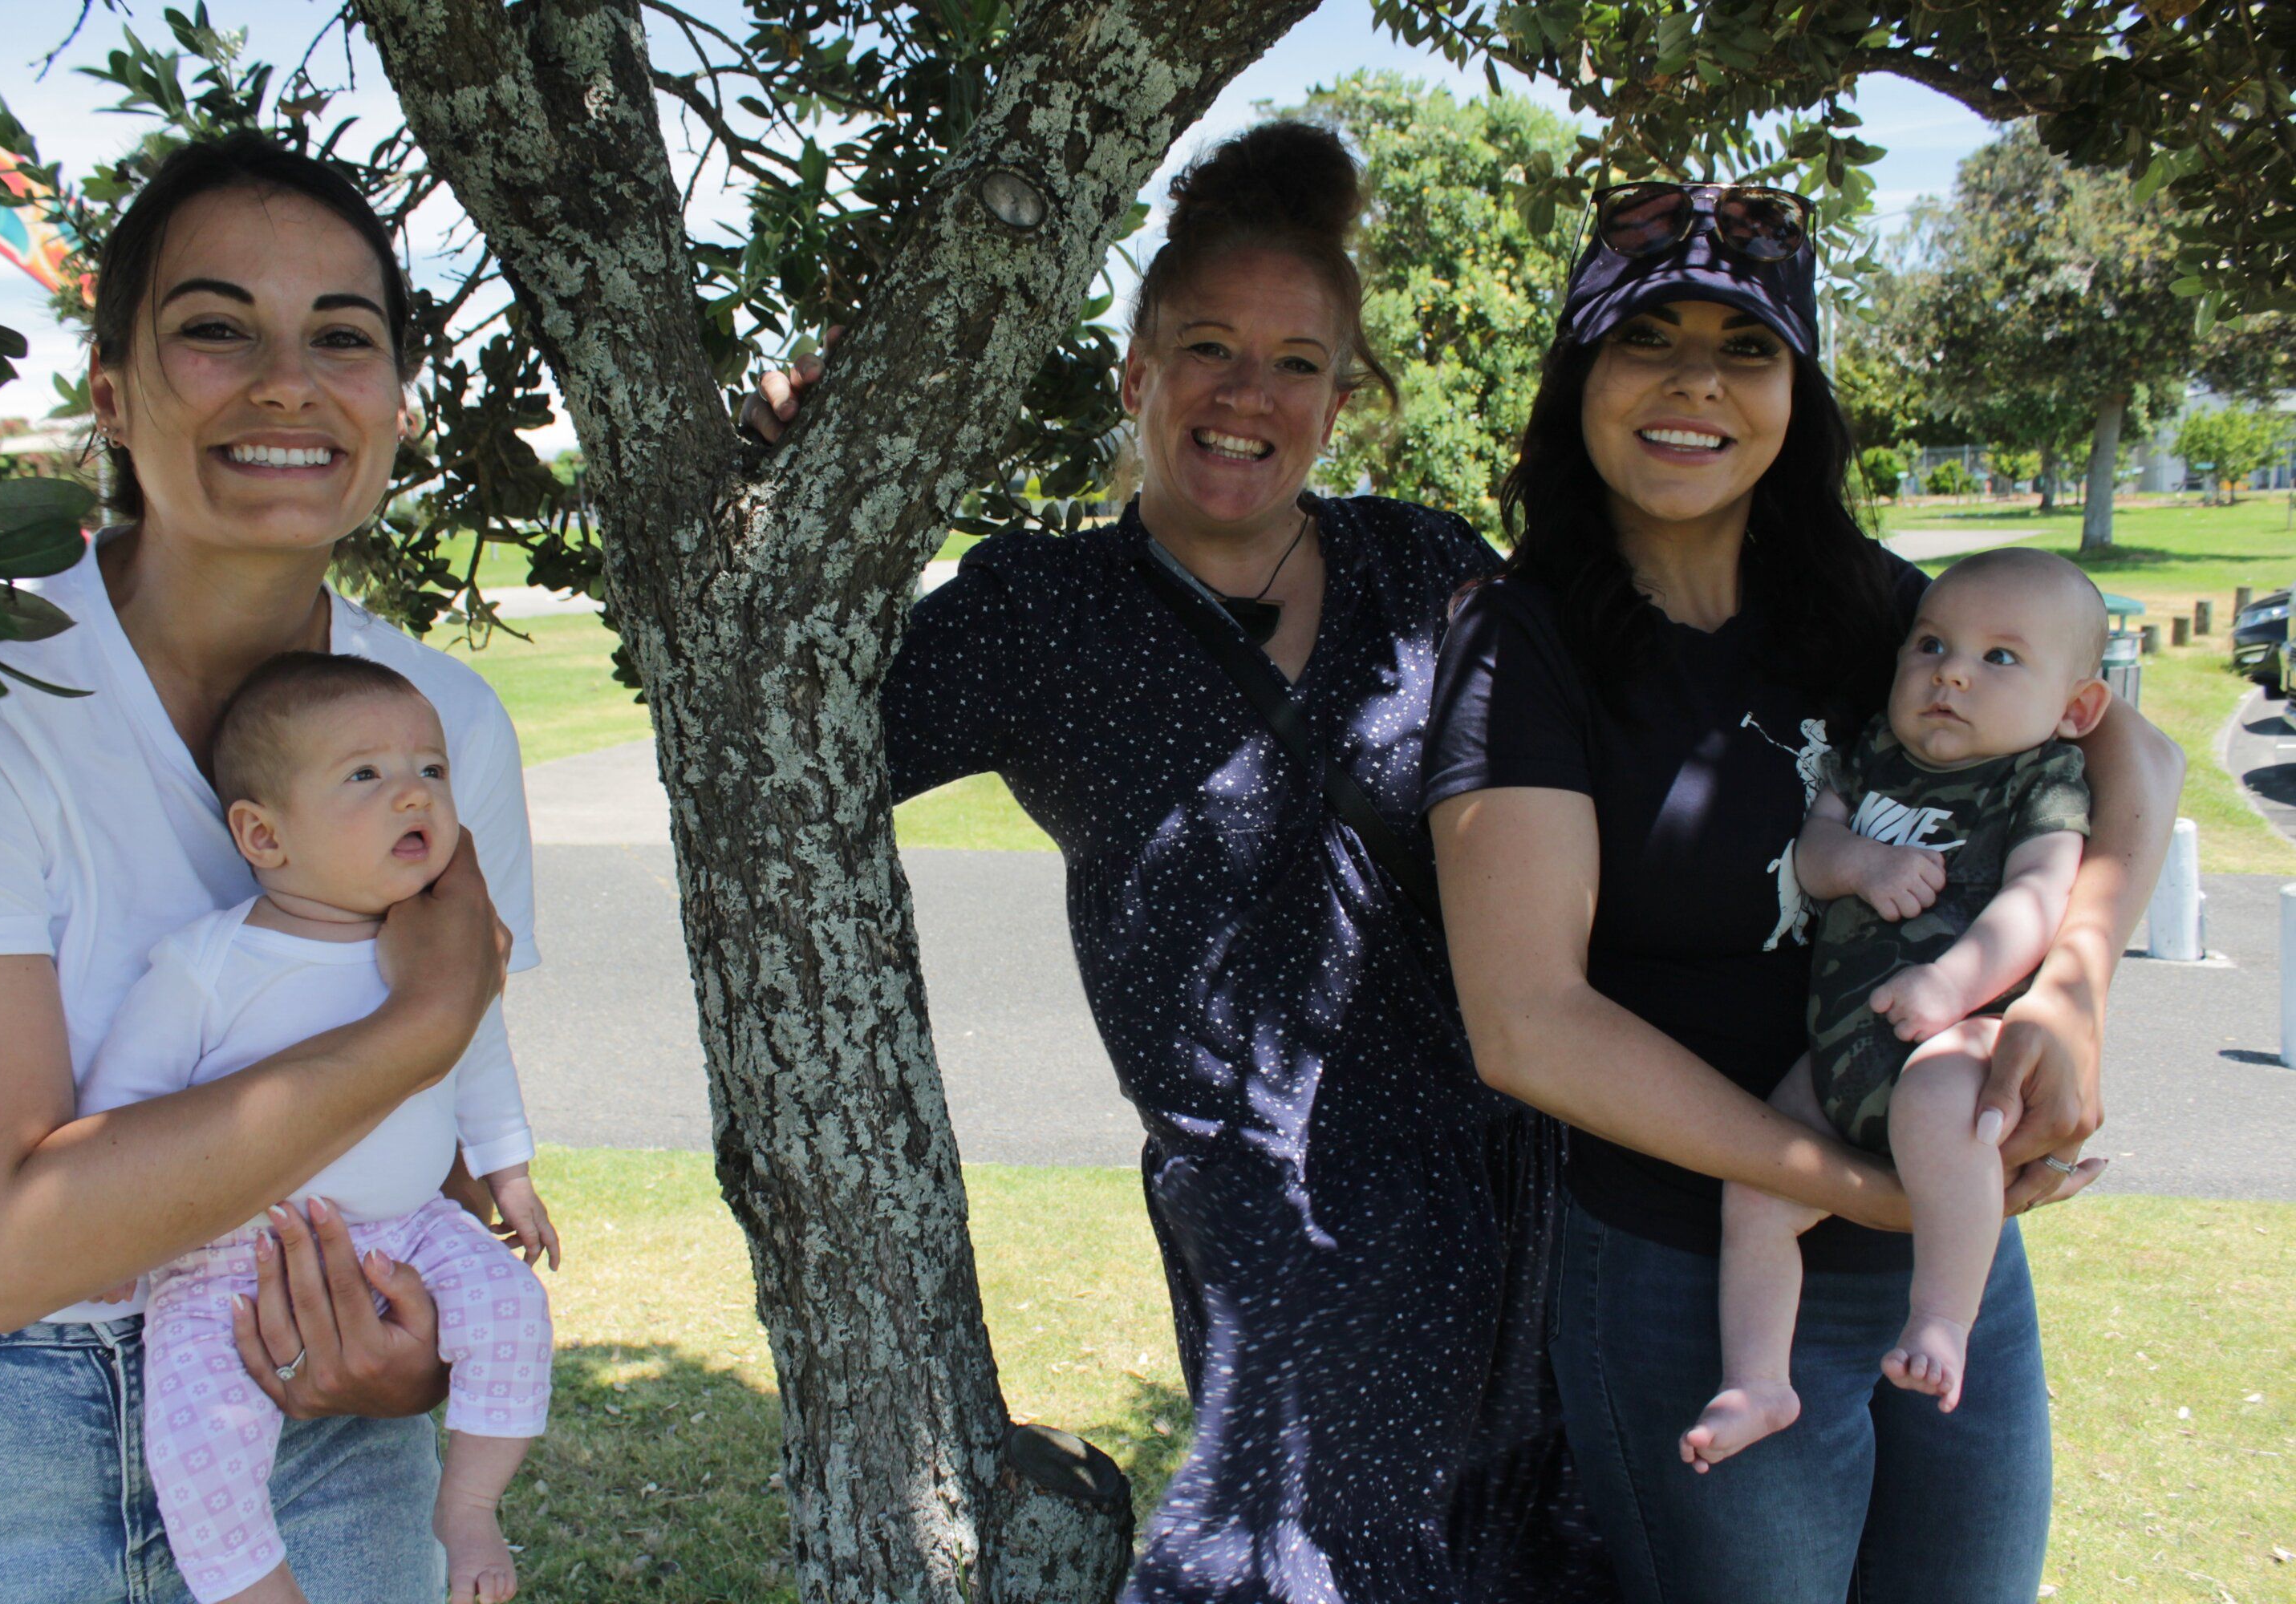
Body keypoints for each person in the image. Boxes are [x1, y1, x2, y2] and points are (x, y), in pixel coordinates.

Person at [747, 122, 1615, 1601]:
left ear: (1341, 401)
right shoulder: (1039, 611)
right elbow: (776, 744)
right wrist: (800, 492)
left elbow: (1607, 775)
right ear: (1136, 375)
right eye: (1206, 349)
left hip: (1517, 1174)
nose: (1245, 396)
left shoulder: (1424, 570)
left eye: (1294, 363)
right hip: (1271, 1209)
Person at [1425, 180, 2184, 1603]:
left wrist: (2074, 995)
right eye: (1649, 337)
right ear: (1583, 375)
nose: (1696, 383)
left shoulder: (1884, 610)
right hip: (1689, 1276)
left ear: (1798, 392)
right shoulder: (1524, 649)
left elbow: (2134, 757)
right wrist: (1846, 1188)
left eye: (1748, 348)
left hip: (1951, 1269)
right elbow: (1527, 1023)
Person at [0, 134, 528, 1604]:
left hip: (313, 1429)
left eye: (343, 338)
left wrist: (407, 1347)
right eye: (216, 327)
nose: (288, 382)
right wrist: (417, 1023)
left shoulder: (447, 724)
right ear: (111, 391)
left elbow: (413, 1159)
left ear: (394, 403)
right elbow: (1, 1248)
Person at [78, 652, 557, 1604]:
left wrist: (507, 1172)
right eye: (365, 775)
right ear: (263, 833)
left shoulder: (430, 945)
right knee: (199, 1442)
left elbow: (478, 1058)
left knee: (513, 1310)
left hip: (409, 1232)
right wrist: (111, 1236)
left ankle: (468, 1506)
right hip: (228, 1256)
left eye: (431, 768)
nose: (413, 793)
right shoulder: (210, 962)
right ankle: (261, 1590)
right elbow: (125, 1095)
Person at [1685, 549, 2112, 1472]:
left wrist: (1953, 984)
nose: (1951, 671)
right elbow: (1813, 849)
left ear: (2076, 707)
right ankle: (1759, 1378)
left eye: (2002, 657)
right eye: (1931, 644)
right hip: (1842, 1048)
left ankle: (1943, 1320)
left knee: (1934, 1101)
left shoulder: (2038, 777)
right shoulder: (1877, 748)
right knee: (1758, 1183)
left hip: (1957, 1037)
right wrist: (1862, 866)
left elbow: (2040, 900)